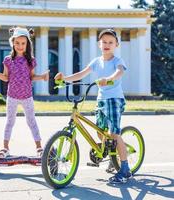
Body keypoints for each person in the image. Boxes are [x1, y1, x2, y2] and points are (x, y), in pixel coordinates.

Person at [54, 28, 132, 184]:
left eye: (110, 42)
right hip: (101, 100)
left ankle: (125, 169)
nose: (107, 45)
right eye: (104, 42)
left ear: (116, 44)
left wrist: (109, 79)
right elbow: (81, 74)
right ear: (99, 44)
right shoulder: (96, 62)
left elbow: (119, 72)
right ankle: (111, 153)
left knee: (114, 134)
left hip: (114, 99)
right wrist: (65, 80)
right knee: (100, 132)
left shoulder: (118, 61)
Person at [0, 27, 49, 158]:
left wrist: (42, 77)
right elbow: (6, 77)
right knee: (10, 121)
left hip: (27, 97)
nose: (20, 46)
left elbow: (31, 77)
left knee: (31, 121)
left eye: (23, 43)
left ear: (27, 44)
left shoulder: (30, 60)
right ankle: (5, 147)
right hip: (12, 97)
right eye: (17, 43)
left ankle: (39, 148)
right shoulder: (8, 60)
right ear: (13, 43)